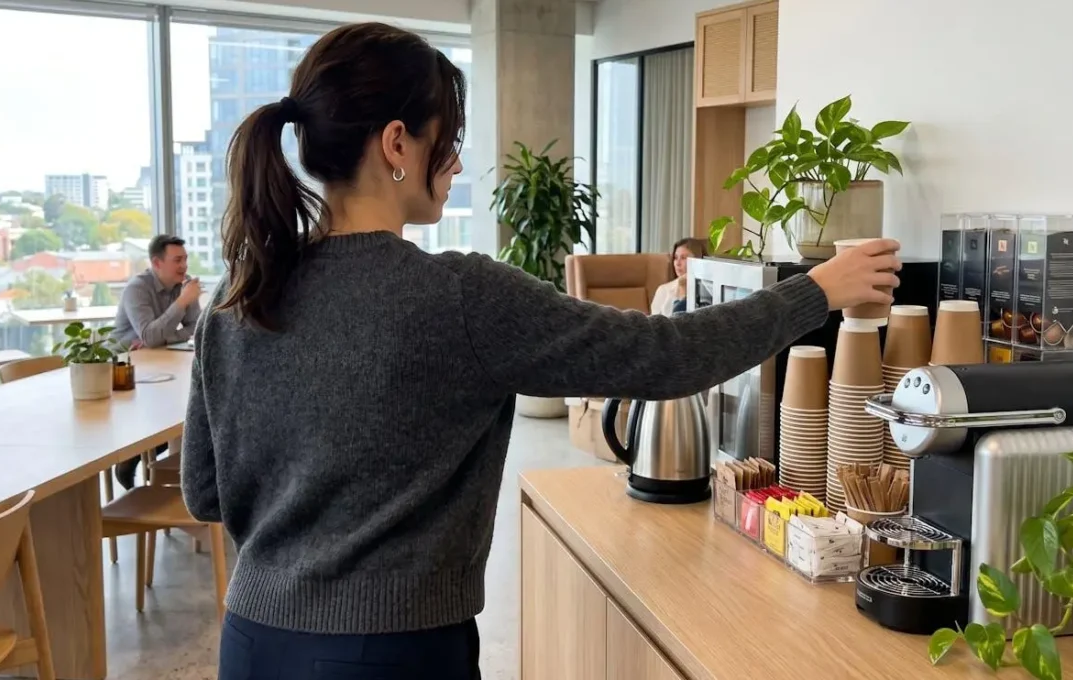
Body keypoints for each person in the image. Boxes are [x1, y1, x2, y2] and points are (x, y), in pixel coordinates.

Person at [181, 22, 899, 680]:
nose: (456, 162)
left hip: (253, 641)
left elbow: (204, 492)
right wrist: (816, 291)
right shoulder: (458, 295)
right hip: (391, 652)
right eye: (448, 139)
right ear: (397, 144)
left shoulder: (237, 296)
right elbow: (666, 356)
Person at [111, 233, 201, 488]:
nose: (184, 266)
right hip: (125, 370)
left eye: (185, 259)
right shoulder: (136, 289)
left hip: (161, 364)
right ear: (157, 263)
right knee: (160, 416)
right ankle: (131, 459)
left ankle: (139, 461)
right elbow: (150, 336)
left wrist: (165, 335)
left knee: (176, 411)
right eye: (177, 260)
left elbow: (196, 327)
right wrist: (183, 302)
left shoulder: (183, 284)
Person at [650, 236, 709, 317]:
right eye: (675, 258)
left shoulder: (709, 290)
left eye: (683, 258)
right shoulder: (663, 290)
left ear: (698, 260)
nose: (677, 263)